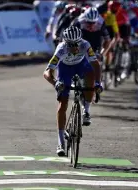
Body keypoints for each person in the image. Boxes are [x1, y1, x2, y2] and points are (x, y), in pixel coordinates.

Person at [43, 26, 103, 156]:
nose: (75, 47)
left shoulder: (86, 45)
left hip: (81, 65)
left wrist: (98, 83)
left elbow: (96, 64)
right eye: (71, 45)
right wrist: (55, 83)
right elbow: (47, 72)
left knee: (91, 76)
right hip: (65, 69)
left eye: (77, 44)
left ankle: (86, 111)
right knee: (63, 104)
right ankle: (60, 141)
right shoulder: (61, 49)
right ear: (66, 43)